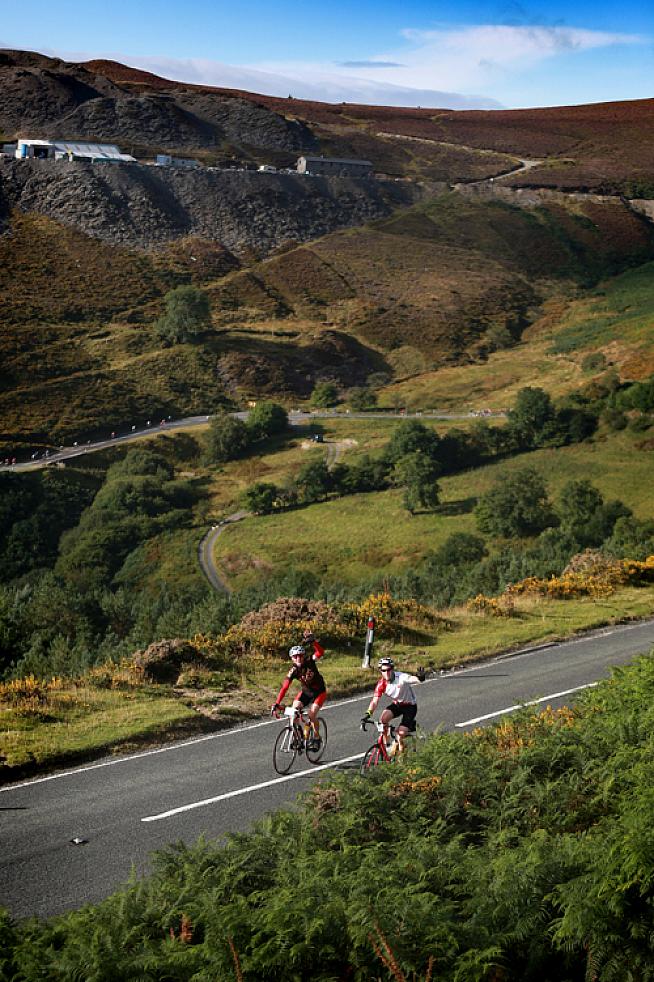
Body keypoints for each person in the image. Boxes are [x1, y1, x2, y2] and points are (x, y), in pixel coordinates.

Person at [271, 630, 327, 750]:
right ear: (292, 658)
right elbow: (285, 687)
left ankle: (317, 738)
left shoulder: (310, 661)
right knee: (293, 712)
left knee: (311, 714)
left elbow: (320, 652)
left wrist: (313, 642)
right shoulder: (293, 671)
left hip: (319, 692)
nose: (298, 658)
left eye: (300, 655)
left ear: (303, 656)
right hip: (306, 692)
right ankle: (299, 738)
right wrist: (277, 703)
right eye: (295, 656)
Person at [361, 657, 426, 756]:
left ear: (392, 669)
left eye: (388, 670)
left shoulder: (401, 677)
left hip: (410, 706)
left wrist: (420, 677)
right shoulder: (381, 684)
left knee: (400, 735)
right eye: (383, 670)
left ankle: (401, 756)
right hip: (397, 704)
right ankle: (387, 747)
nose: (386, 673)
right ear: (380, 671)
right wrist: (368, 714)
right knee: (383, 719)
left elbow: (412, 679)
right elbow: (374, 701)